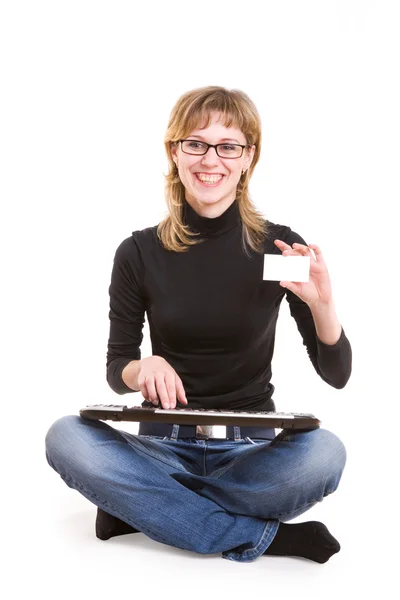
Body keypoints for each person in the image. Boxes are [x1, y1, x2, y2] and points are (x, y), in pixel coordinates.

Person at [45, 85, 352, 564]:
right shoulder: (139, 252)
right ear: (175, 151)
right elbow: (116, 367)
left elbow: (337, 375)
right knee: (66, 436)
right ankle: (266, 538)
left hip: (248, 454)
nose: (212, 159)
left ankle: (143, 507)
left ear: (249, 157)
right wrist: (142, 367)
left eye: (229, 146)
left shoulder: (280, 248)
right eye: (196, 143)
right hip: (161, 447)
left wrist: (324, 305)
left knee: (325, 453)